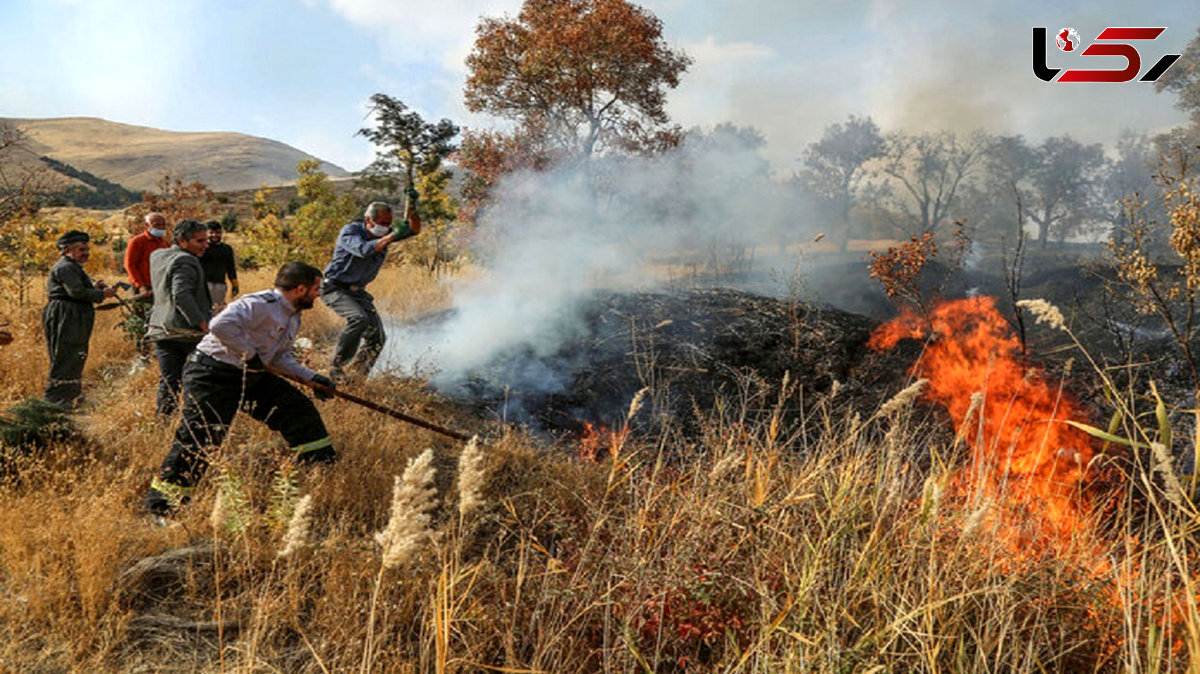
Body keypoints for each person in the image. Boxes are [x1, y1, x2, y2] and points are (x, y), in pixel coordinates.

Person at [143, 262, 337, 516]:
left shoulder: (292, 315)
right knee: (201, 440)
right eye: (315, 288)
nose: (318, 294)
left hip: (252, 375)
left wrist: (313, 378)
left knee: (299, 412)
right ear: (300, 289)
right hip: (212, 374)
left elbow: (278, 359)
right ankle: (161, 509)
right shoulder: (259, 304)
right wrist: (248, 353)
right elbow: (219, 326)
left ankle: (321, 472)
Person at [321, 192, 421, 381]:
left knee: (378, 338)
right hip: (335, 288)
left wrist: (413, 207)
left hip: (358, 292)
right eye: (382, 223)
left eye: (388, 223)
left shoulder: (386, 234)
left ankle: (358, 377)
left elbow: (415, 229)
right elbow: (363, 250)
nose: (386, 227)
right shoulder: (350, 232)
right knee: (358, 318)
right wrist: (392, 236)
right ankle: (337, 368)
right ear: (369, 220)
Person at [42, 231, 116, 407]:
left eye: (87, 249)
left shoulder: (72, 266)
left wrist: (94, 288)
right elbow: (76, 292)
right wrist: (101, 294)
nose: (86, 253)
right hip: (65, 314)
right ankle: (55, 401)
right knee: (65, 355)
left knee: (75, 354)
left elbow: (78, 290)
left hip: (73, 313)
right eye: (81, 249)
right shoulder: (65, 267)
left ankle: (70, 397)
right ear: (67, 250)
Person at [147, 219, 211, 417]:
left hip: (161, 329)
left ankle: (164, 422)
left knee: (169, 381)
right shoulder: (186, 260)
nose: (206, 245)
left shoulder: (157, 255)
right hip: (185, 332)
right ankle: (197, 423)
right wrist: (202, 324)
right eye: (200, 241)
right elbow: (181, 295)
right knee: (199, 380)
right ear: (183, 241)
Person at [123, 212, 170, 355]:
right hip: (143, 289)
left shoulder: (165, 243)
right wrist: (141, 286)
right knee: (143, 322)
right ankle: (142, 354)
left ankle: (158, 352)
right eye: (157, 225)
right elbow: (130, 265)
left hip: (160, 289)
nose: (161, 228)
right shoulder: (137, 241)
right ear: (147, 225)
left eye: (163, 225)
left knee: (160, 321)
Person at [200, 220, 239, 313]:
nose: (214, 235)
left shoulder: (226, 249)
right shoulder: (201, 248)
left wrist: (235, 284)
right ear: (206, 233)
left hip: (219, 285)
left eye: (217, 232)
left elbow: (231, 268)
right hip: (203, 284)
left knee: (216, 310)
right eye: (211, 232)